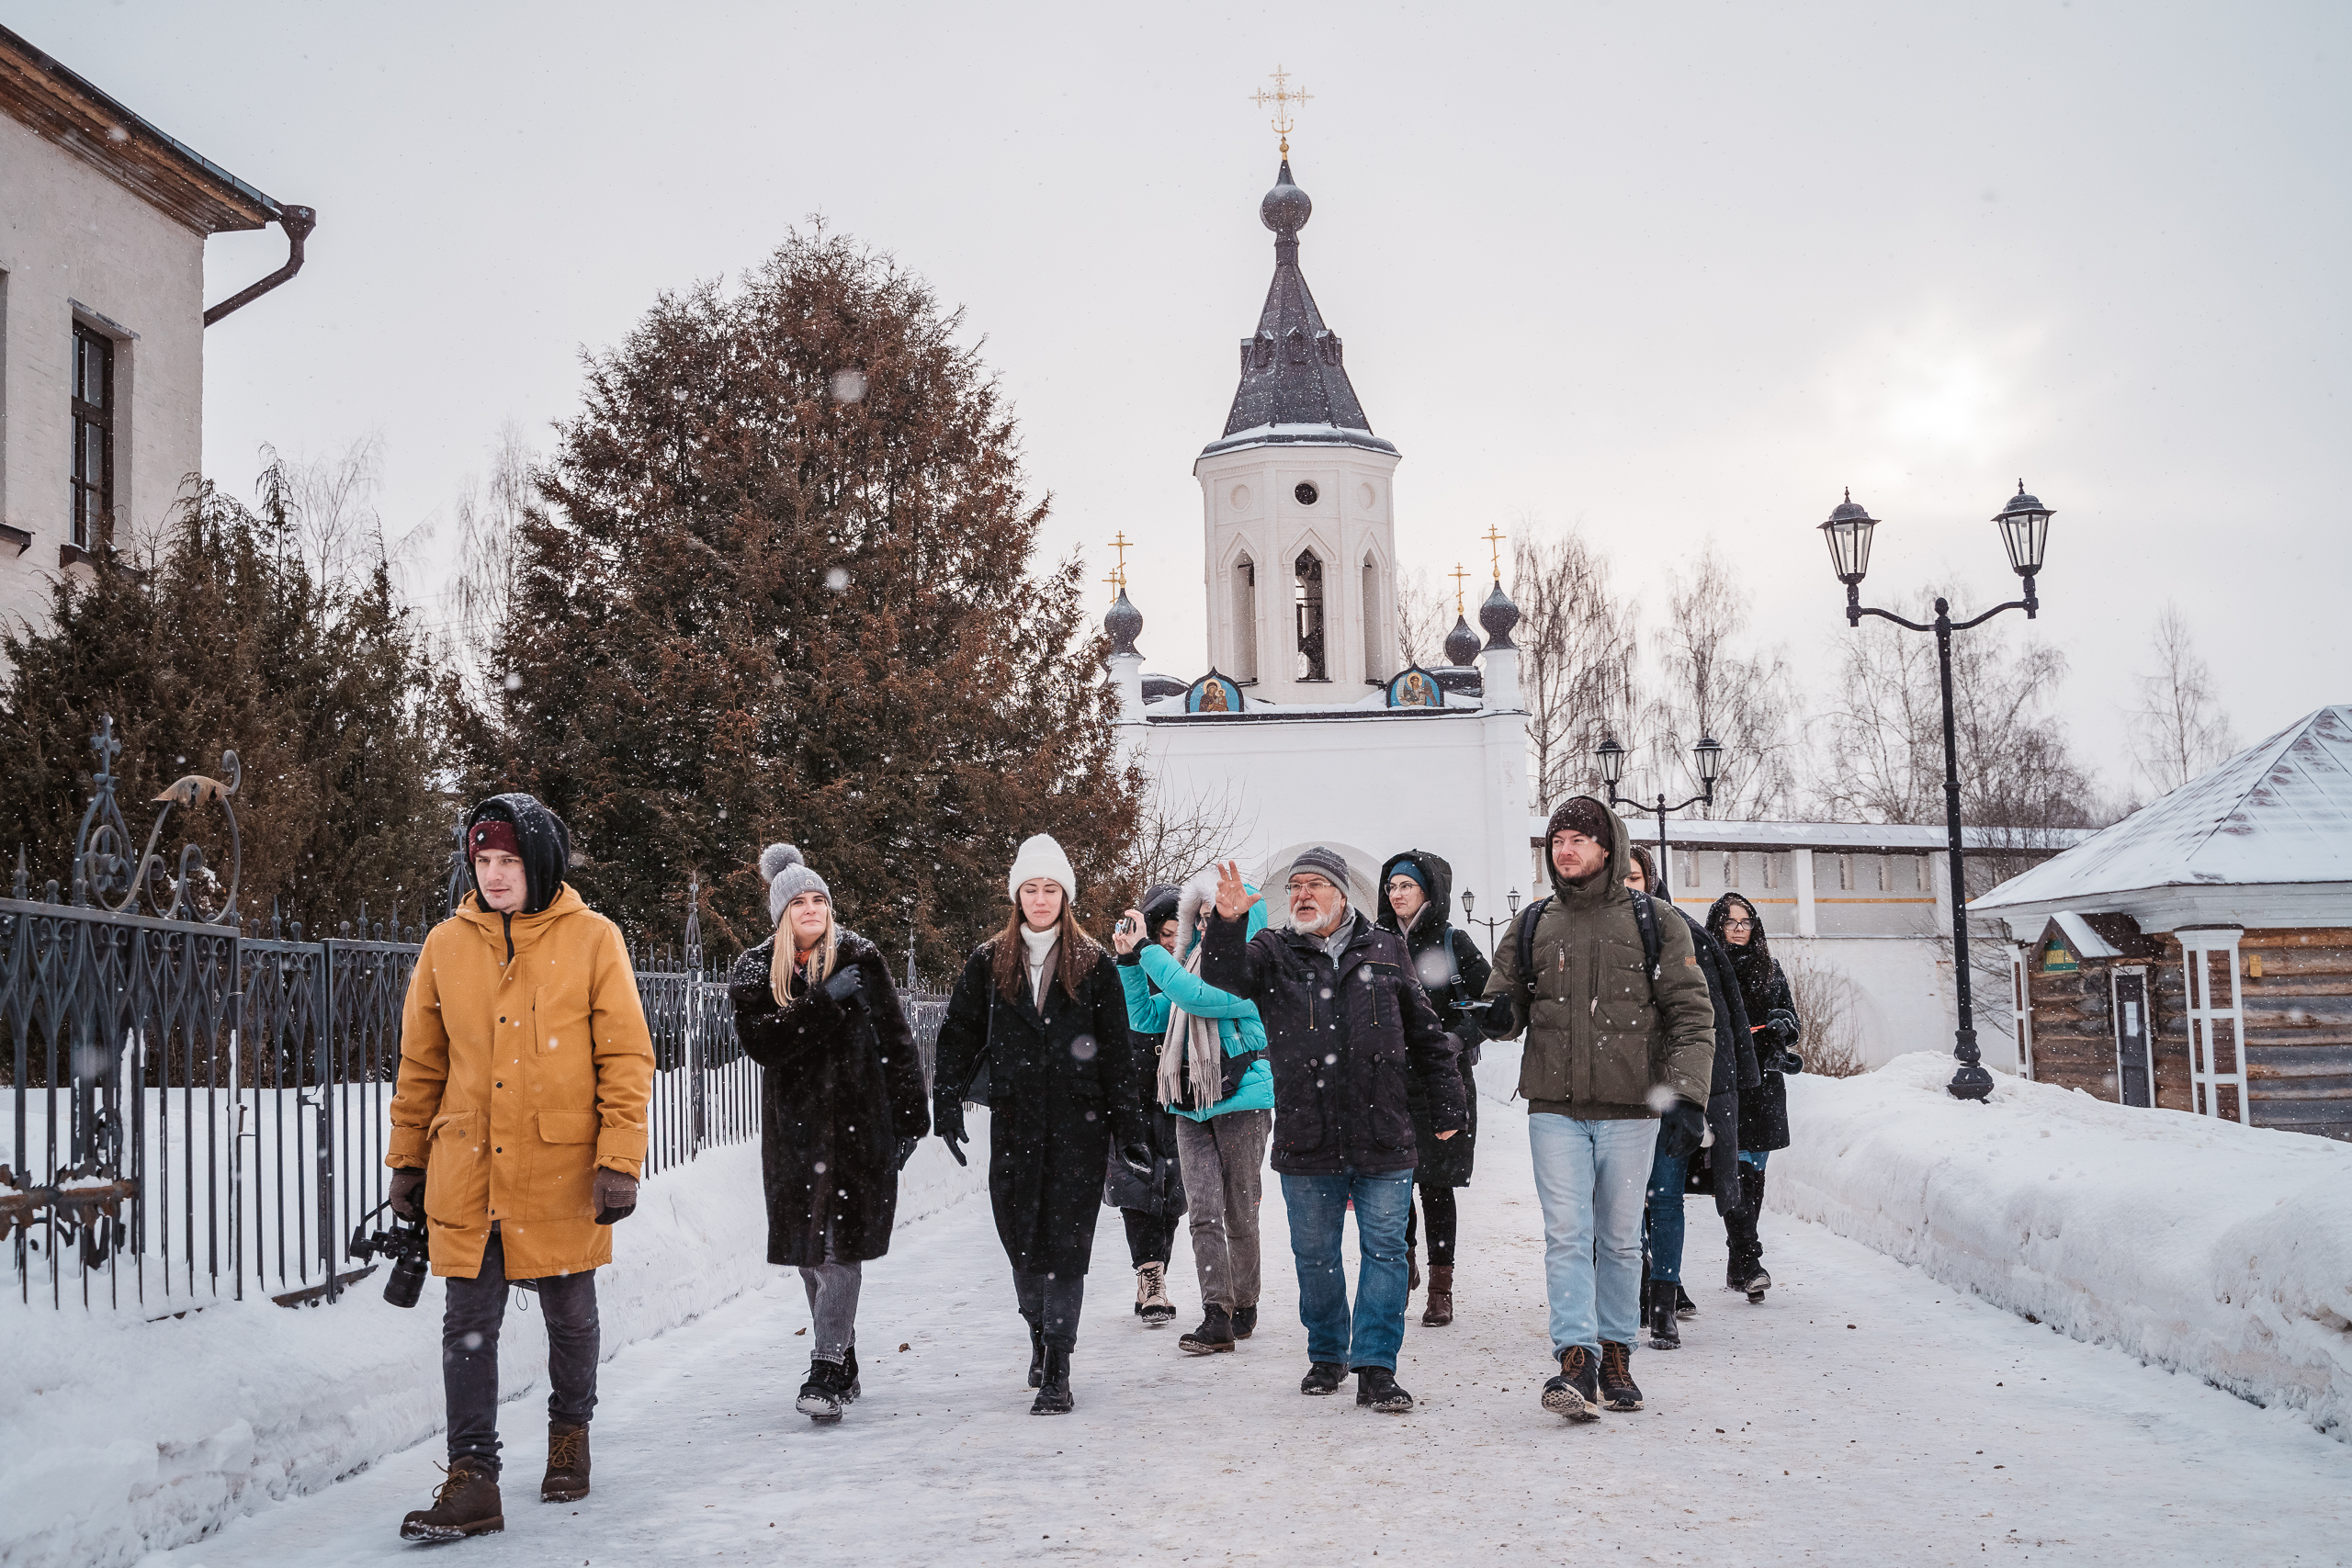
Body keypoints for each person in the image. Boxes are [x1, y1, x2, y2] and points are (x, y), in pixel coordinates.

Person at [386, 795, 655, 1540]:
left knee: (570, 1313)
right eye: (483, 861)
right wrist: (408, 1157)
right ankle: (473, 1477)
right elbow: (421, 1061)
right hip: (468, 1163)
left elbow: (626, 1056)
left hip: (561, 1164)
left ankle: (570, 1436)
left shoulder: (594, 939)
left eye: (508, 860)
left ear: (538, 865)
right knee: (467, 1322)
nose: (495, 875)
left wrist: (620, 1158)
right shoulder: (446, 943)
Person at [1200, 847, 1465, 1414]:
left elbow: (1426, 1034)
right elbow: (1224, 977)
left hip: (1383, 1129)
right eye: (1294, 886)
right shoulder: (1272, 951)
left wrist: (1448, 1104)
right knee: (1315, 1254)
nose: (1301, 894)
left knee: (1387, 1253)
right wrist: (1225, 924)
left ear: (1343, 895)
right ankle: (1326, 1353)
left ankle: (1376, 1366)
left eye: (1314, 884)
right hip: (1307, 1132)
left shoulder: (1386, 949)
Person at [1482, 798, 1714, 1422]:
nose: (1565, 848)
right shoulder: (1533, 923)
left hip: (1629, 1107)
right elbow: (1501, 1000)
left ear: (1607, 846)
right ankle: (1576, 1357)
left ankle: (1617, 1352)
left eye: (1579, 837)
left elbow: (1692, 1013)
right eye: (1557, 838)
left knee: (1616, 1239)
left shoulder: (1653, 920)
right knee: (1566, 1232)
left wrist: (1689, 1096)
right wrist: (1497, 1015)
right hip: (1553, 1105)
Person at [931, 834, 1143, 1415]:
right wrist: (945, 1104)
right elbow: (957, 1036)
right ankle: (1037, 1328)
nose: (1042, 899)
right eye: (1032, 888)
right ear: (1016, 894)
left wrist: (1129, 1128)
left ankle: (1058, 1361)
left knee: (1067, 1243)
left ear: (1066, 896)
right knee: (1021, 1238)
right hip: (1017, 1120)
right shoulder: (988, 959)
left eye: (1051, 889)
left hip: (1080, 1122)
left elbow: (1117, 1049)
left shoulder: (1093, 962)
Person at [728, 844, 929, 1423]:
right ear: (781, 913)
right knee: (809, 1255)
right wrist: (824, 1003)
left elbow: (897, 1041)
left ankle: (825, 1362)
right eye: (799, 902)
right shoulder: (754, 970)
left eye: (819, 900)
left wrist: (912, 1116)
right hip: (794, 1135)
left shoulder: (861, 959)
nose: (811, 909)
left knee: (840, 1250)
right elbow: (765, 1043)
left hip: (858, 1128)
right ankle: (842, 1358)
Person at [1112, 866, 1274, 1357]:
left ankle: (1244, 1302)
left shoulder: (1254, 973)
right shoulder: (1188, 967)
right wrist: (1127, 965)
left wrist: (1148, 952)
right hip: (1190, 1102)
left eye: (1218, 915)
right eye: (1201, 918)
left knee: (1239, 1210)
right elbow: (1146, 1016)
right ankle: (1216, 1314)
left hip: (1241, 1100)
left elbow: (1195, 998)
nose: (1208, 926)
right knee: (1203, 1213)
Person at [1623, 844, 1758, 1349]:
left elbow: (1710, 1022)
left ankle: (1662, 1302)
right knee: (1621, 1200)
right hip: (1618, 1091)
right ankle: (1634, 1287)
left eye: (1635, 877)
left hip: (1671, 1091)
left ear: (1651, 880)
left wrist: (1707, 1093)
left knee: (1663, 1197)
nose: (1627, 885)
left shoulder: (1682, 933)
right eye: (1620, 876)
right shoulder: (1597, 933)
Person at [1374, 851, 1493, 1327]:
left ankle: (1440, 1287)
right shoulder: (1377, 940)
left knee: (1437, 1187)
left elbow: (1490, 1005)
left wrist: (1454, 1038)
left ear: (1428, 891)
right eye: (1392, 887)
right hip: (1388, 1081)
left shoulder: (1451, 941)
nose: (1397, 895)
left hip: (1442, 1082)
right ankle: (1402, 1264)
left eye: (1406, 886)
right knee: (1393, 1183)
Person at [1707, 891, 1803, 1303]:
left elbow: (1791, 1018)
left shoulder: (1770, 968)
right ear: (1718, 927)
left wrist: (1782, 1024)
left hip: (1764, 1083)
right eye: (1731, 923)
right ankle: (1749, 1258)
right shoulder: (1709, 966)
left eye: (1746, 922)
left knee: (1754, 1172)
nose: (1740, 929)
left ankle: (1740, 1258)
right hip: (1726, 1080)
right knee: (1734, 1167)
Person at [1102, 881, 1187, 1329]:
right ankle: (1151, 1276)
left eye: (1179, 932)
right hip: (1130, 1095)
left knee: (1173, 1191)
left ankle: (1155, 1273)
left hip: (1179, 1094)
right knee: (1136, 1186)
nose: (1171, 942)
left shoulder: (1191, 975)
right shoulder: (1122, 968)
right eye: (1164, 932)